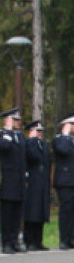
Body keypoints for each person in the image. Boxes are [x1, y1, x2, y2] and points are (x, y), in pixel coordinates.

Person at [52, 112, 74, 250]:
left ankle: (72, 238)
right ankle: (64, 239)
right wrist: (65, 135)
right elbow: (63, 151)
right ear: (65, 126)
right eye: (73, 124)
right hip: (65, 181)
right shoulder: (60, 140)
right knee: (65, 211)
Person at [0, 107, 26, 253]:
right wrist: (8, 131)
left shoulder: (20, 136)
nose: (18, 122)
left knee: (17, 213)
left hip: (19, 180)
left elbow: (23, 158)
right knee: (8, 213)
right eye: (14, 120)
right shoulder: (3, 135)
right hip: (8, 181)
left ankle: (15, 240)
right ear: (7, 120)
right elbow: (4, 147)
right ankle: (6, 242)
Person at [24, 120, 51, 251]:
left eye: (41, 132)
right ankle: (29, 240)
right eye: (37, 131)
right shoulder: (29, 144)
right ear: (31, 132)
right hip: (32, 182)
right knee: (32, 212)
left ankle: (38, 240)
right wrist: (32, 140)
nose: (39, 134)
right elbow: (33, 156)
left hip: (42, 182)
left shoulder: (43, 145)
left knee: (40, 212)